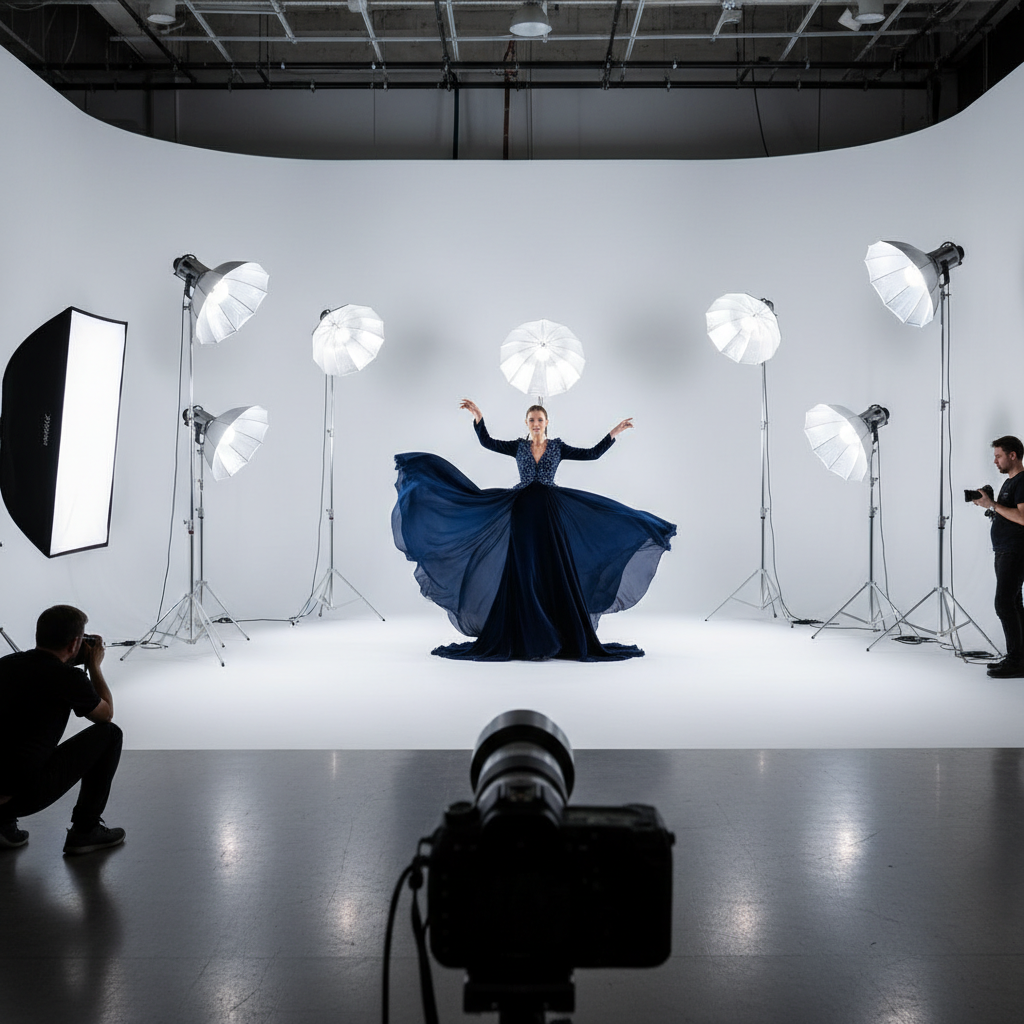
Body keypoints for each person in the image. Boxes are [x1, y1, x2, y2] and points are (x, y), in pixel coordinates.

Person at [392, 400, 676, 661]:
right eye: (531, 419)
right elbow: (488, 442)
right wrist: (478, 418)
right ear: (526, 423)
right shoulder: (518, 447)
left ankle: (559, 633)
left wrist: (614, 432)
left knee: (553, 568)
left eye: (540, 419)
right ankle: (524, 634)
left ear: (547, 422)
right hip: (523, 510)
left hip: (550, 512)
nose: (536, 423)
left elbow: (592, 454)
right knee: (523, 569)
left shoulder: (558, 447)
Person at [0, 605, 126, 853]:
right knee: (110, 735)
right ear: (73, 645)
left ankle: (3, 825)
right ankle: (85, 830)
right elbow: (105, 715)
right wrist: (95, 667)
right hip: (22, 795)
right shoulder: (69, 679)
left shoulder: (5, 664)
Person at [972, 436, 1024, 678]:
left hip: (1015, 550)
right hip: (1005, 549)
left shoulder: (1023, 481)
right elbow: (1009, 514)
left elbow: (1023, 518)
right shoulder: (1009, 482)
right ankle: (1019, 657)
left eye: (998, 455)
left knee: (1004, 603)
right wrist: (990, 506)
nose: (995, 460)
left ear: (1012, 455)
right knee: (1014, 603)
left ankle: (1016, 661)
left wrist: (992, 504)